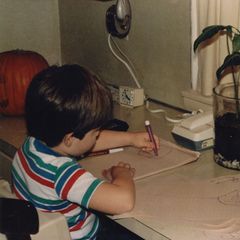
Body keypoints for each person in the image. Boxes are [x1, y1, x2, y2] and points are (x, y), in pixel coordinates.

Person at [11, 64, 160, 240]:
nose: (98, 136)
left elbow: (81, 143)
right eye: (96, 132)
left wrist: (131, 138)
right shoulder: (63, 173)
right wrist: (122, 174)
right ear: (70, 138)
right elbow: (123, 202)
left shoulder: (32, 144)